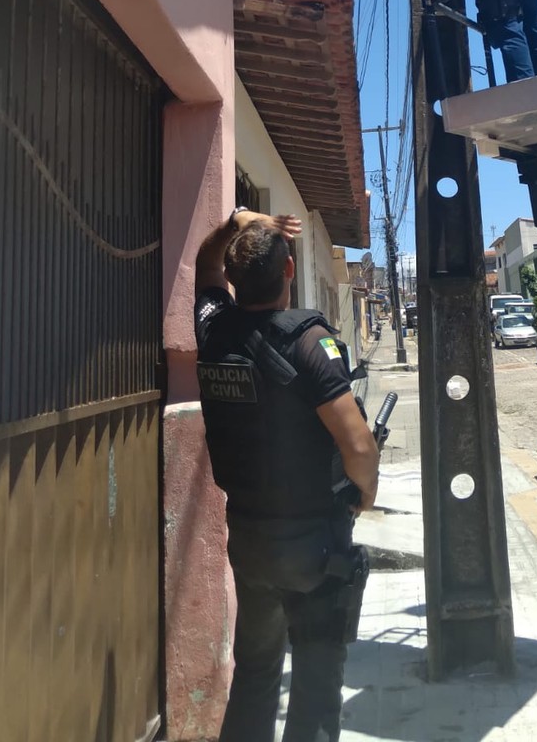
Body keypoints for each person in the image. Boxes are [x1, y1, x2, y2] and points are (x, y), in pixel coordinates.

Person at [194, 207, 379, 742]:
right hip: (313, 543)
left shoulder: (213, 328)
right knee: (317, 686)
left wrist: (234, 220)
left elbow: (205, 264)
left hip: (248, 537)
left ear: (233, 279)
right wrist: (365, 495)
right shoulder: (309, 343)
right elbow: (359, 447)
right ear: (290, 271)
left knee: (255, 674)